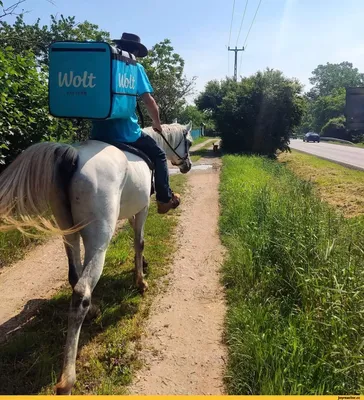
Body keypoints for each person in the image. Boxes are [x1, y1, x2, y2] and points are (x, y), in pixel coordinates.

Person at [91, 33, 180, 214]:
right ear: (135, 52)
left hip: (98, 133)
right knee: (160, 155)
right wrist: (157, 123)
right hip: (126, 134)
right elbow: (149, 101)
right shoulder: (134, 68)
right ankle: (164, 199)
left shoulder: (102, 66)